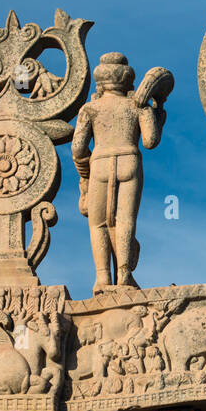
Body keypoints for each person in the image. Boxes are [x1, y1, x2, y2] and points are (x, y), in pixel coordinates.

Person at [71, 53, 168, 291]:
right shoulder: (137, 106)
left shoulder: (90, 109)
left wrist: (85, 173)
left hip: (100, 163)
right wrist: (157, 113)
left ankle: (102, 278)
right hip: (129, 160)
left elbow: (78, 148)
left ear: (100, 83)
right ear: (128, 82)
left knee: (98, 224)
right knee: (125, 220)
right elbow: (150, 141)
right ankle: (124, 276)